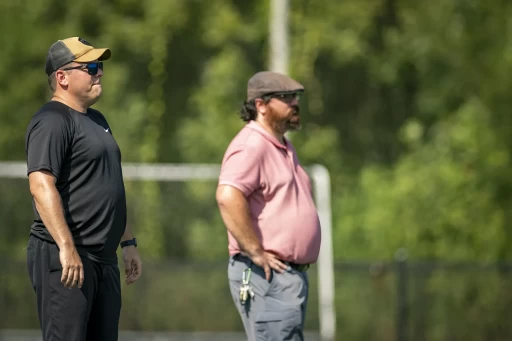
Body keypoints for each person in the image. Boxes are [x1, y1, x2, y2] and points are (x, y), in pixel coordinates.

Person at [25, 37, 142, 341]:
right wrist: (66, 247)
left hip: (103, 259)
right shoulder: (52, 120)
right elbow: (40, 185)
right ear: (62, 77)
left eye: (99, 66)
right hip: (68, 257)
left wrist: (128, 243)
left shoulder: (97, 120)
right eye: (90, 66)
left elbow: (110, 185)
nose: (99, 73)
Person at [216, 71, 322, 341]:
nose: (294, 103)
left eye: (296, 97)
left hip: (285, 276)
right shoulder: (252, 145)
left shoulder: (282, 145)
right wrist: (255, 250)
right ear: (261, 105)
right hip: (265, 274)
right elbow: (228, 196)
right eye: (285, 97)